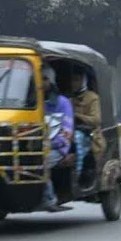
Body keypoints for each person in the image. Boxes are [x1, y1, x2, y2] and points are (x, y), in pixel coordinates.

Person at [65, 66, 104, 191]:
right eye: (72, 80)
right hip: (69, 131)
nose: (73, 84)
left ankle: (79, 174)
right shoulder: (68, 99)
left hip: (90, 134)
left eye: (77, 80)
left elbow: (96, 120)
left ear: (83, 81)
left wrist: (78, 116)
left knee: (77, 138)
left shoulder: (92, 98)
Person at [42, 67, 75, 211]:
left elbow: (66, 131)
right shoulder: (33, 103)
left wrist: (52, 144)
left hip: (58, 146)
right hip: (37, 147)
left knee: (39, 165)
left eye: (45, 79)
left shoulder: (62, 102)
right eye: (39, 78)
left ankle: (50, 199)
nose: (42, 82)